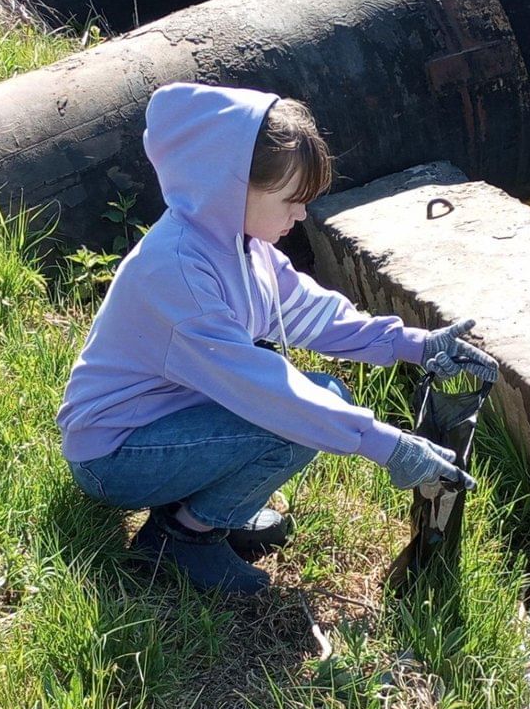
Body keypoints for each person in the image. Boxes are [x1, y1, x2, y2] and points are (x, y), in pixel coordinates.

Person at [58, 84, 499, 594]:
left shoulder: (238, 245)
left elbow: (314, 314)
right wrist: (388, 445)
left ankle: (207, 505)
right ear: (230, 186)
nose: (302, 214)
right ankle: (182, 536)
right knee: (293, 419)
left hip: (164, 423)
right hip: (114, 456)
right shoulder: (178, 273)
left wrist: (415, 345)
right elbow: (266, 393)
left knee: (317, 401)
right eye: (292, 200)